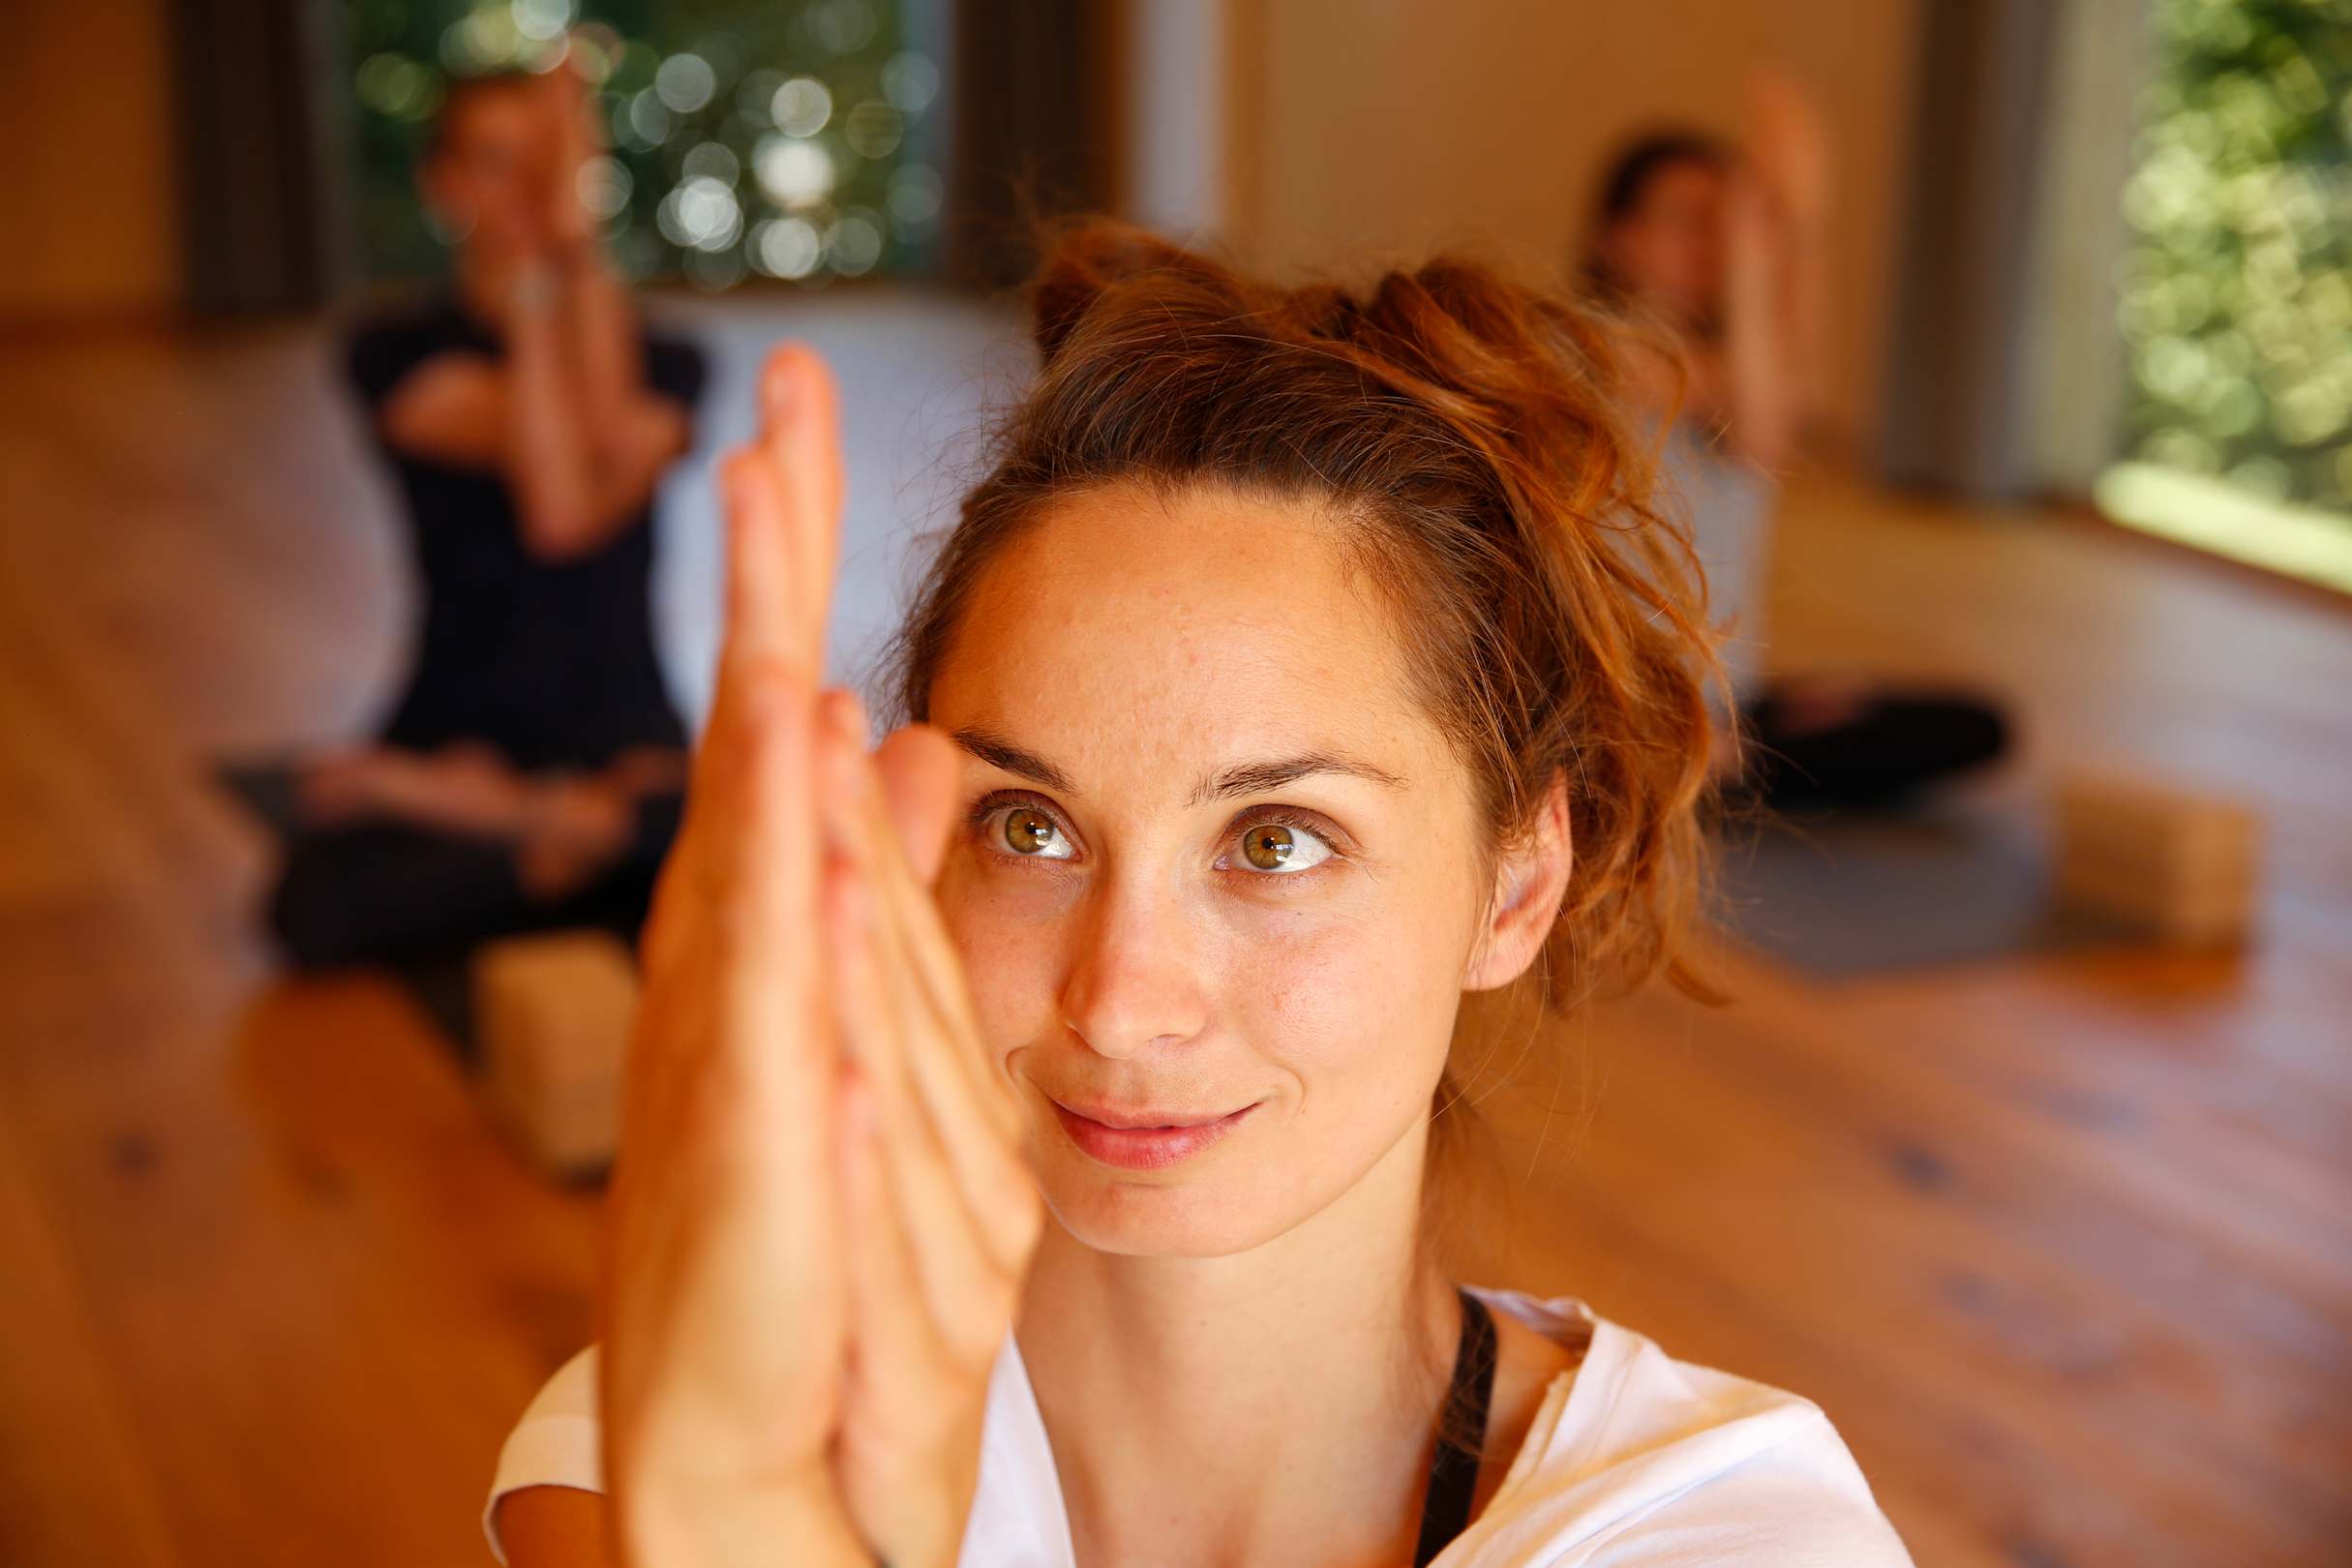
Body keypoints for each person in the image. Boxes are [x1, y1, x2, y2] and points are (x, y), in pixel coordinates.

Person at [483, 221, 1915, 1565]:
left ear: (1518, 884)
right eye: (1030, 828)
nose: (1120, 1000)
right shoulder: (686, 1460)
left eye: (1277, 842)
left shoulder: (1726, 1532)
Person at [254, 59, 704, 975]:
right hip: (460, 719)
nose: (531, 191)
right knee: (307, 905)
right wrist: (539, 288)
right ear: (444, 185)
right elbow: (557, 499)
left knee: (753, 833)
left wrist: (574, 251)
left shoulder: (671, 359)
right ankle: (586, 844)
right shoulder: (395, 352)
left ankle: (509, 828)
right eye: (502, 163)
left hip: (618, 729)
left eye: (551, 164)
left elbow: (578, 497)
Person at [1585, 72, 2006, 810]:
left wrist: (1805, 221)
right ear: (1616, 238)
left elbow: (1795, 391)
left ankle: (1716, 762)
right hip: (1629, 712)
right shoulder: (1590, 353)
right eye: (1689, 220)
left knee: (1974, 724)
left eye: (1723, 222)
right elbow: (1764, 425)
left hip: (1726, 705)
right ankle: (1681, 768)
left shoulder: (1736, 366)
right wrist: (1763, 250)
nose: (1713, 244)